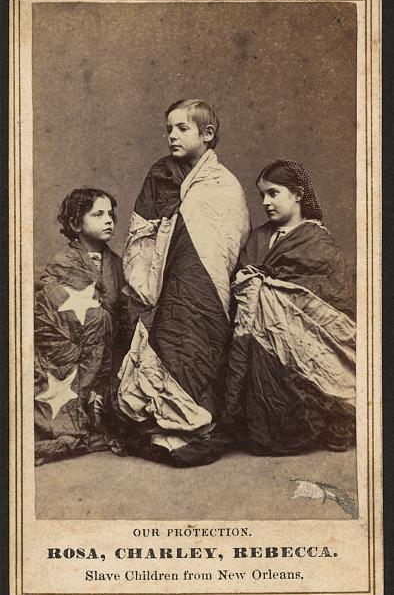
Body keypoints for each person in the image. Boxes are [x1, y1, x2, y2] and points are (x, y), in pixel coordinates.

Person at [112, 99, 250, 467]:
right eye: (168, 128)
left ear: (208, 134)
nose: (171, 135)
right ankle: (162, 425)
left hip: (205, 289)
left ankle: (192, 426)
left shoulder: (223, 184)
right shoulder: (160, 174)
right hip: (163, 281)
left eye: (182, 128)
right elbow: (141, 232)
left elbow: (230, 238)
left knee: (195, 345)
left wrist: (200, 272)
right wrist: (146, 279)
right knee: (165, 341)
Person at [223, 160, 356, 455]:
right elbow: (242, 277)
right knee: (261, 422)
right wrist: (256, 285)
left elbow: (331, 299)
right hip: (260, 336)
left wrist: (274, 290)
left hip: (303, 342)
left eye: (273, 193)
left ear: (297, 194)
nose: (266, 202)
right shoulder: (259, 236)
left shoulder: (317, 240)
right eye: (262, 196)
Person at [34, 187, 130, 465]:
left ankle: (99, 416)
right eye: (98, 214)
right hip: (70, 353)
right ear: (76, 223)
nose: (108, 220)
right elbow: (50, 309)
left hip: (109, 352)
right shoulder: (62, 263)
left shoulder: (117, 264)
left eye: (110, 214)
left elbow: (123, 311)